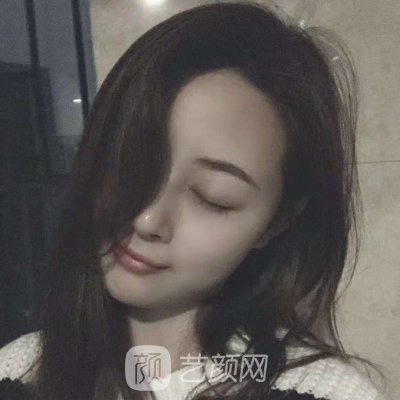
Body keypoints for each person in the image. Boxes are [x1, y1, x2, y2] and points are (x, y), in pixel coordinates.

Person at [0, 2, 391, 400]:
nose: (148, 219)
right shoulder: (17, 369)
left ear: (277, 222)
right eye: (132, 165)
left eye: (212, 198)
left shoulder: (329, 393)